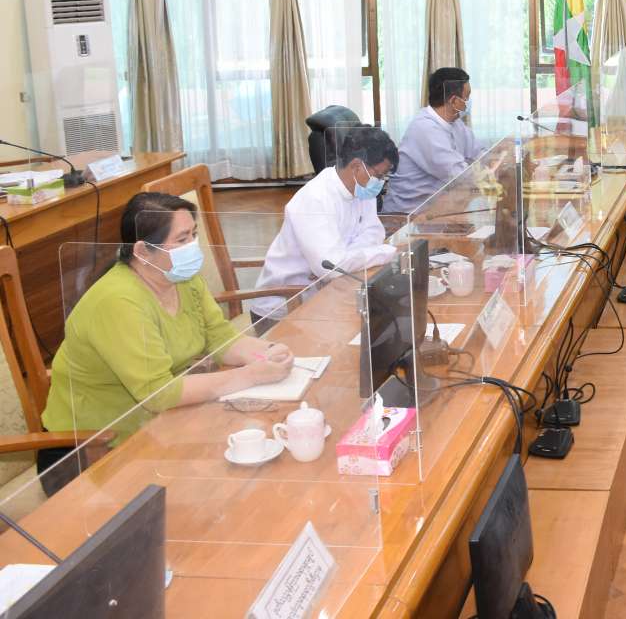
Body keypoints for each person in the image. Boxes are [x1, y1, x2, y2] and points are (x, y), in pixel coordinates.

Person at [40, 193, 293, 489]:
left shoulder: (181, 278)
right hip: (92, 452)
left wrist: (268, 351)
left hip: (161, 427)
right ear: (143, 251)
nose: (193, 246)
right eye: (182, 239)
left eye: (194, 235)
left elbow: (219, 337)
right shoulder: (118, 301)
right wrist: (251, 375)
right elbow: (158, 394)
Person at [251, 125, 400, 320]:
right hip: (283, 309)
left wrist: (342, 259)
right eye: (379, 175)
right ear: (357, 166)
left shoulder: (362, 189)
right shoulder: (316, 198)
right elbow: (333, 267)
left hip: (327, 292)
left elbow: (374, 234)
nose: (381, 182)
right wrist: (384, 253)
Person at [383, 67, 486, 214]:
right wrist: (490, 174)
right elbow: (459, 175)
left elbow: (480, 153)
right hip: (408, 216)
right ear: (454, 101)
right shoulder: (424, 128)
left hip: (436, 211)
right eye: (467, 97)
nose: (469, 102)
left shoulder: (455, 123)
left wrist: (496, 159)